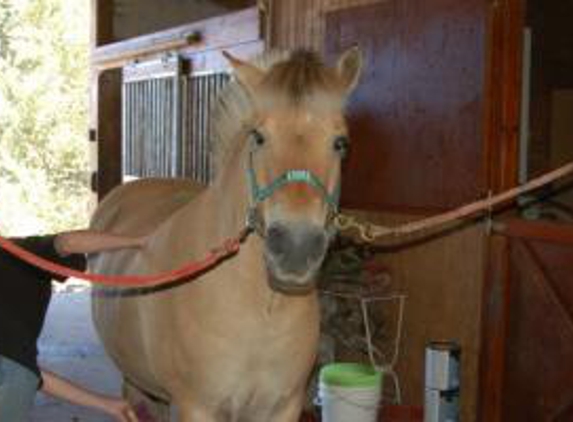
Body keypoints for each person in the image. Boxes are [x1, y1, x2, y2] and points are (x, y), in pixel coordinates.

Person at [0, 229, 146, 422]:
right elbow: (67, 242)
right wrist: (140, 240)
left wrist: (107, 404)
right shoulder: (21, 252)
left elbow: (30, 372)